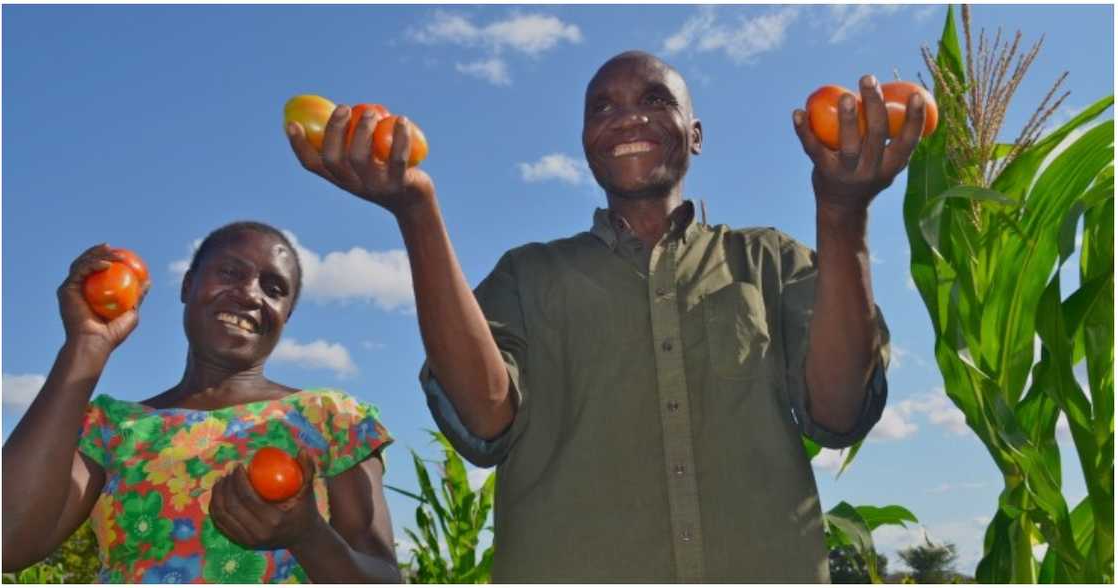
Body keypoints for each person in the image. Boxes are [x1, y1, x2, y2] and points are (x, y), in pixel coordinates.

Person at [286, 49, 927, 582]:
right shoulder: (526, 275)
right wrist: (415, 211)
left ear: (696, 135)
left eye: (655, 100)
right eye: (603, 108)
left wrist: (843, 212)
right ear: (586, 143)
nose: (627, 119)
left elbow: (840, 412)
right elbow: (484, 420)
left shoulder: (770, 261)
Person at [2, 221, 401, 583]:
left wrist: (309, 536)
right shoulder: (112, 426)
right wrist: (86, 345)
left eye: (274, 289)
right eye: (230, 272)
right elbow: (8, 542)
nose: (249, 294)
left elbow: (384, 577)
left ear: (286, 316)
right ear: (187, 285)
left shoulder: (333, 418)